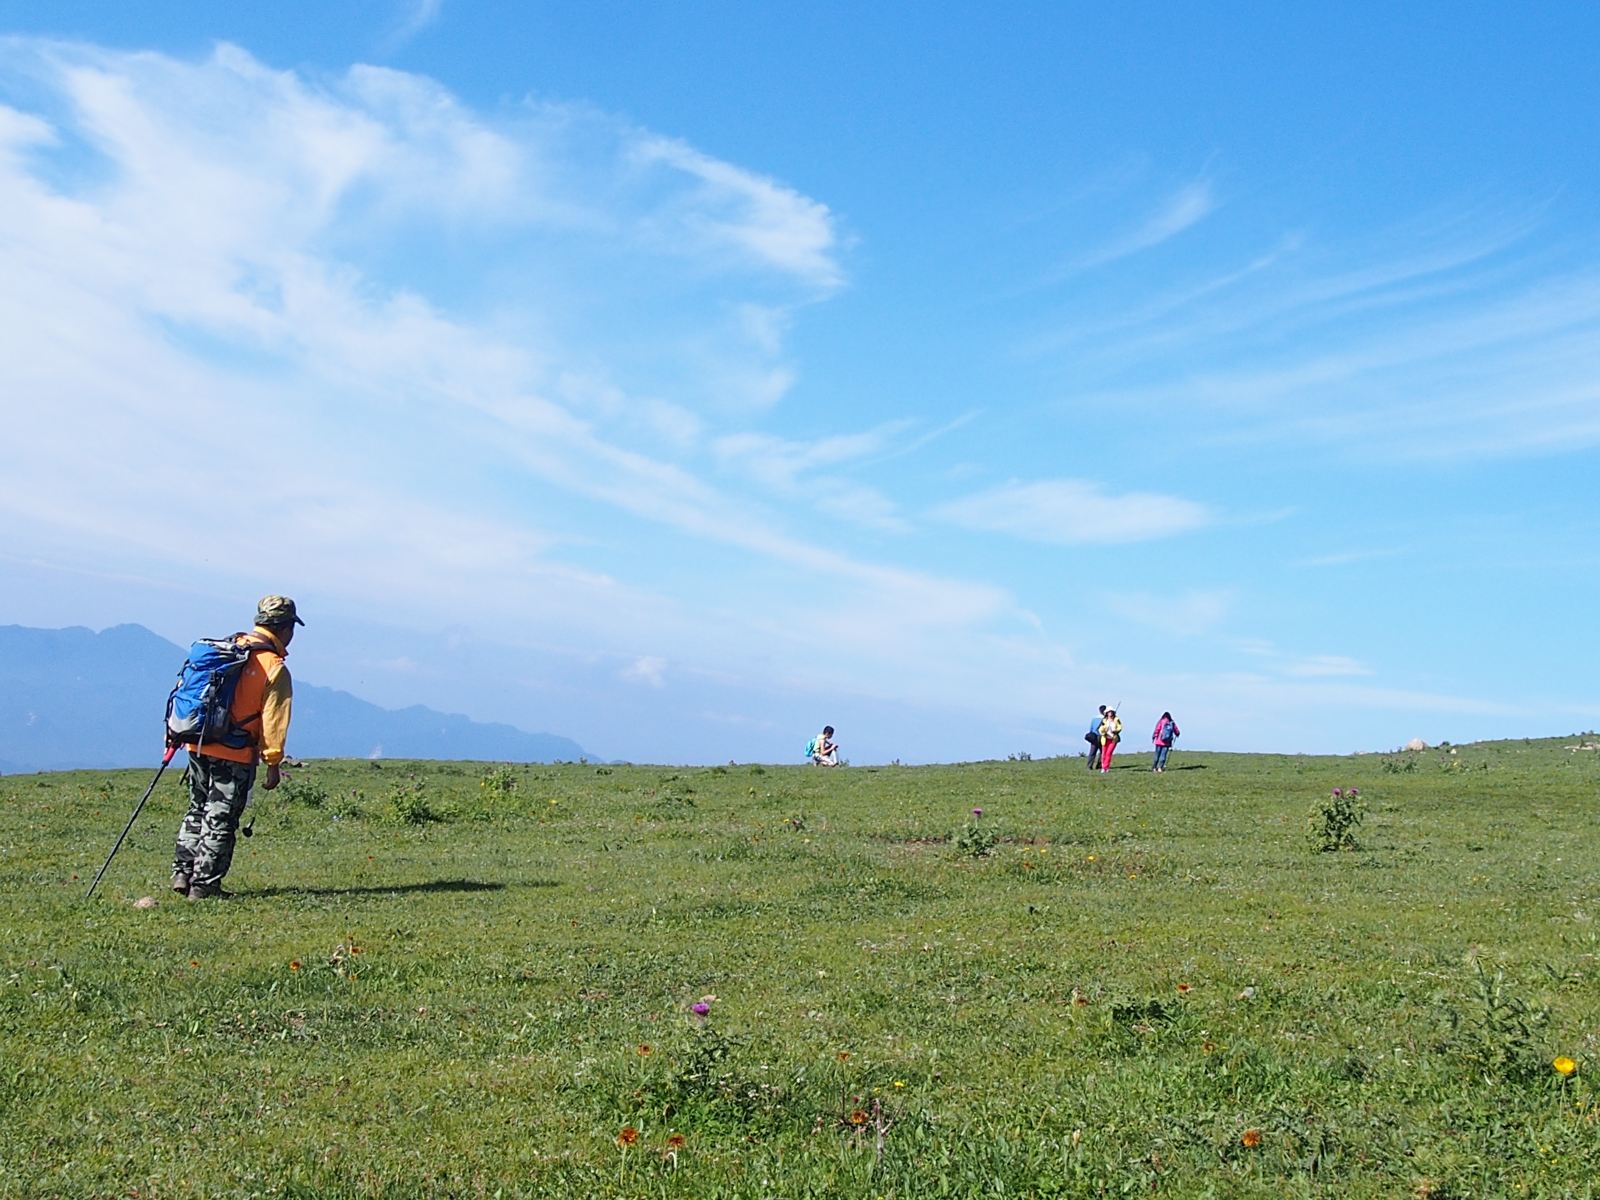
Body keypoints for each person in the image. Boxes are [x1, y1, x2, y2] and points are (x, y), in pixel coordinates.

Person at [171, 595, 302, 900]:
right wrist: (273, 763)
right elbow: (274, 721)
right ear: (284, 628)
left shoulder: (228, 649)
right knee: (221, 817)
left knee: (198, 808)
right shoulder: (274, 667)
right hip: (235, 751)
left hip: (197, 742)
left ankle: (182, 872)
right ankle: (204, 886)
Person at [1098, 708, 1122, 773]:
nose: (1110, 713)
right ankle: (1103, 767)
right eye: (1109, 712)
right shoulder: (1104, 720)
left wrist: (1115, 731)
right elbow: (1100, 729)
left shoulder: (1116, 719)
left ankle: (1106, 767)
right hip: (1105, 738)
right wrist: (1104, 732)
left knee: (1109, 753)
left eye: (1111, 712)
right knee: (1104, 753)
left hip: (1113, 739)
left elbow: (1120, 727)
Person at [1084, 705, 1106, 771]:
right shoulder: (1106, 719)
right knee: (1102, 751)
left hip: (1094, 736)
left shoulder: (1094, 719)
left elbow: (1091, 728)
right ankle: (1099, 765)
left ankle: (1089, 766)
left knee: (1092, 751)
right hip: (1102, 736)